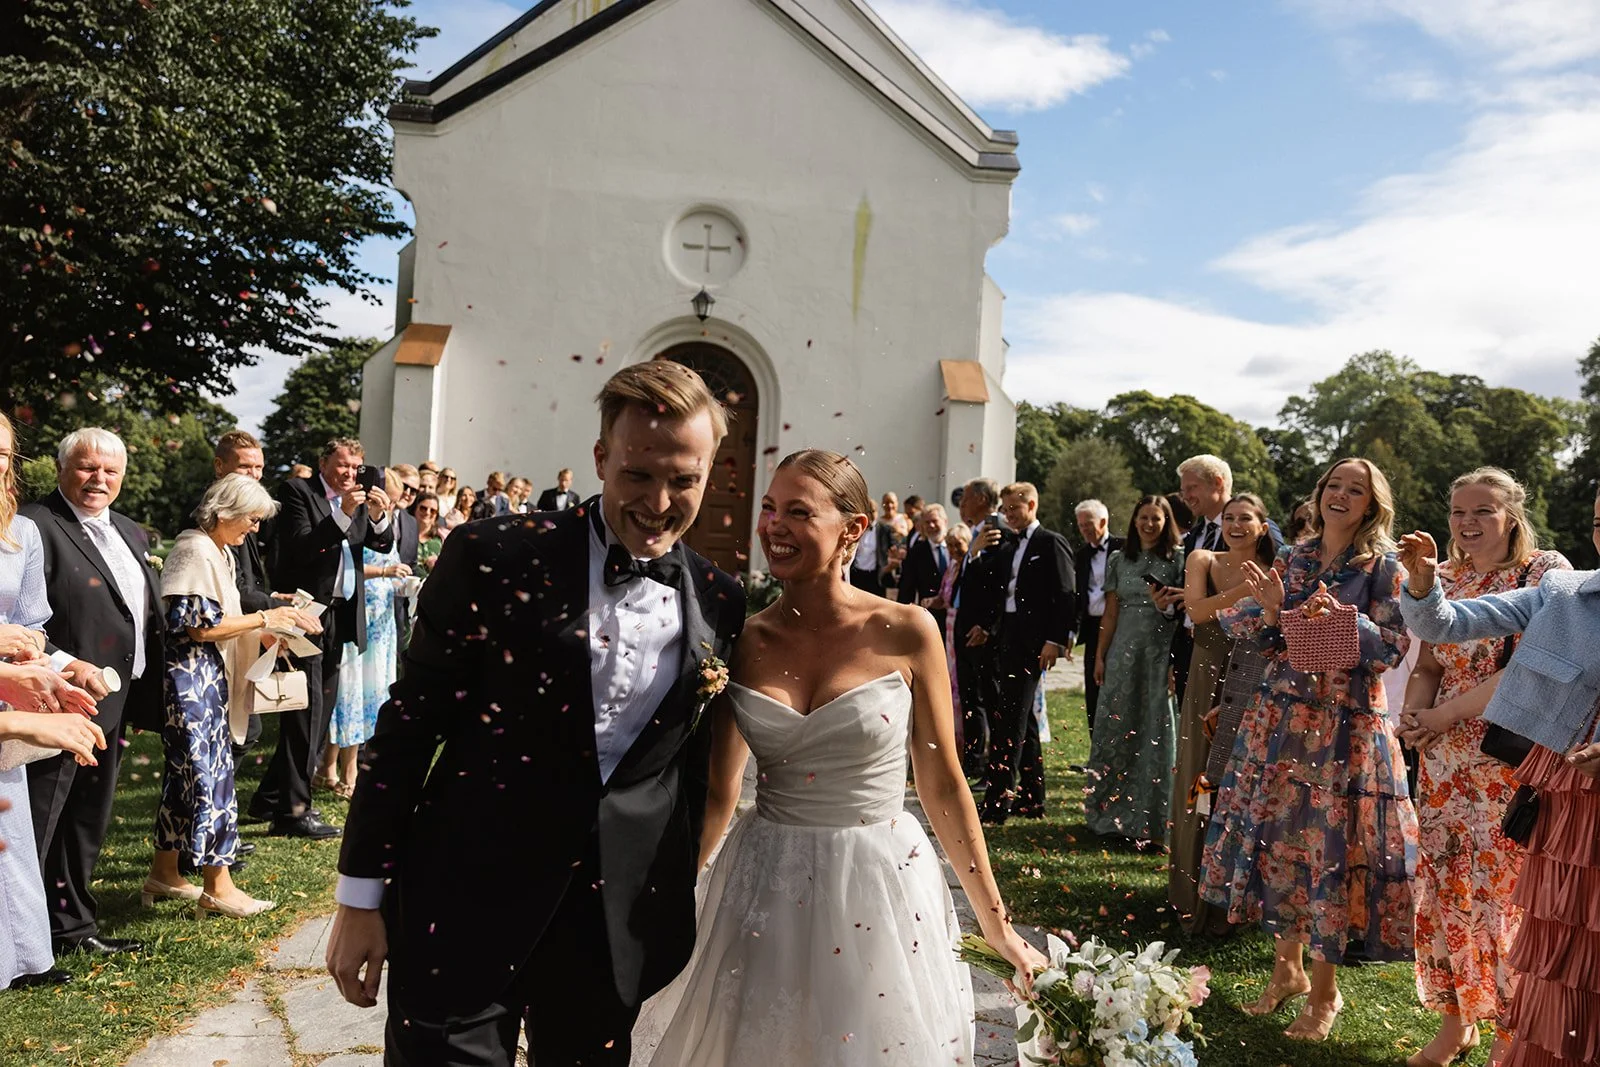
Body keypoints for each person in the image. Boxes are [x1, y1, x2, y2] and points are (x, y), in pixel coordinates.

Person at [326, 360, 746, 1065]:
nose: (660, 499)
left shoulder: (720, 598)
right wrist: (360, 896)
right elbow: (408, 727)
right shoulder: (494, 555)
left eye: (685, 478)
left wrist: (671, 888)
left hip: (610, 931)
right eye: (638, 474)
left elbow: (690, 772)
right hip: (463, 900)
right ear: (600, 458)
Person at [639, 450, 1045, 1064]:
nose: (773, 525)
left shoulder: (908, 630)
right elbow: (721, 794)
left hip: (878, 882)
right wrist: (670, 902)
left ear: (852, 529)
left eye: (798, 511)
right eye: (770, 508)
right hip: (764, 881)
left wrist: (998, 927)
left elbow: (942, 785)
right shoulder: (741, 640)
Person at [1201, 458, 1416, 1041]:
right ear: (1320, 494)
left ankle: (1325, 994)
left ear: (1371, 504)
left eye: (1357, 489)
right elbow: (1250, 628)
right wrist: (1278, 613)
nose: (1341, 495)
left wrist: (1327, 622)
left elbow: (1390, 647)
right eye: (1334, 485)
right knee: (1280, 842)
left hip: (1344, 728)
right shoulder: (1294, 557)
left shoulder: (1384, 568)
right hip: (1282, 718)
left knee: (1330, 852)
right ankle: (1287, 973)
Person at [1398, 496, 1600, 1067]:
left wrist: (1444, 715)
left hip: (1510, 762)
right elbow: (1442, 631)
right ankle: (1485, 1030)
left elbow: (1520, 670)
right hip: (1537, 781)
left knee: (1522, 905)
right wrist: (1420, 584)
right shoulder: (1568, 593)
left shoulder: (1545, 566)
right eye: (1599, 523)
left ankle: (1527, 1034)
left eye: (1482, 509)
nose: (1468, 520)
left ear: (1512, 515)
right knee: (1522, 917)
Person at [142, 475, 322, 919]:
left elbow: (224, 620)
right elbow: (198, 627)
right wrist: (267, 615)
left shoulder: (218, 549)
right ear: (223, 513)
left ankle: (164, 873)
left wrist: (265, 632)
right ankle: (218, 886)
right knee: (211, 779)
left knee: (184, 783)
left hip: (208, 679)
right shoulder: (194, 550)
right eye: (252, 519)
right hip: (190, 684)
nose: (256, 529)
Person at [22, 427, 165, 957]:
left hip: (115, 697)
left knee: (86, 818)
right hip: (54, 697)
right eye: (86, 467)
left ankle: (72, 928)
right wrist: (62, 666)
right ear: (62, 468)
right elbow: (23, 616)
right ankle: (22, 939)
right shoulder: (35, 525)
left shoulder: (130, 531)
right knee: (41, 818)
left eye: (110, 471)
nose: (98, 479)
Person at [0, 411, 104, 989]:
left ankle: (24, 957)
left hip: (11, 694)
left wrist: (49, 666)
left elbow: (35, 623)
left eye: (4, 453)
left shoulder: (22, 533)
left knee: (12, 830)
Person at [248, 438, 394, 840]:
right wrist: (344, 514)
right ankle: (293, 812)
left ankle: (269, 798)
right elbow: (300, 548)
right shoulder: (299, 492)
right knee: (304, 713)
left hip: (341, 617)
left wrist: (379, 516)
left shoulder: (360, 499)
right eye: (343, 466)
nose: (350, 474)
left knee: (320, 710)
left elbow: (379, 544)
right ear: (323, 463)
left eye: (356, 467)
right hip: (305, 613)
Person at [1168, 493, 1273, 934]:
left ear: (1262, 527)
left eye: (1245, 518)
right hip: (1206, 673)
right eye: (1228, 517)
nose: (1235, 524)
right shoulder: (1202, 559)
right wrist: (1245, 590)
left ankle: (1237, 899)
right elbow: (1195, 610)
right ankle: (1191, 892)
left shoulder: (1277, 570)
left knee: (1242, 780)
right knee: (1199, 775)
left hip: (1252, 678)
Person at [972, 482, 1074, 824]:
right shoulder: (1007, 545)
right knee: (1023, 718)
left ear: (1031, 505)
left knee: (1010, 720)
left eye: (1014, 509)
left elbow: (1065, 594)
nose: (1008, 514)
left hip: (1034, 643)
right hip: (1008, 640)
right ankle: (1032, 797)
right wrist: (975, 552)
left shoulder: (1050, 542)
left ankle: (997, 802)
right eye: (1005, 510)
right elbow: (990, 587)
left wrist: (1056, 640)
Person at [1085, 495, 1184, 842]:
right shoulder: (1118, 559)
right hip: (1123, 652)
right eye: (1143, 517)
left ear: (1166, 521)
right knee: (1117, 727)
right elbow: (1109, 613)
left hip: (1159, 652)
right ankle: (1108, 814)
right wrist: (1100, 655)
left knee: (1154, 730)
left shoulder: (1178, 559)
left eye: (1156, 518)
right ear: (1134, 520)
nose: (1149, 524)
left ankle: (1152, 820)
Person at [188, 430, 279, 771]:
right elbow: (201, 625)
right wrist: (269, 615)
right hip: (205, 660)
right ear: (219, 466)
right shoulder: (202, 536)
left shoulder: (237, 522)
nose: (254, 475)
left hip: (234, 640)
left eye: (259, 468)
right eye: (245, 467)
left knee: (241, 734)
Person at [322, 470, 408, 800]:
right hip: (359, 616)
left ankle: (333, 767)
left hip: (383, 624)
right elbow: (349, 566)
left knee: (370, 696)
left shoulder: (383, 524)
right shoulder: (351, 516)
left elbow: (392, 559)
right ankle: (343, 770)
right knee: (349, 692)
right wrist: (385, 571)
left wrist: (400, 580)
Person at [953, 477, 1005, 775]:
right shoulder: (976, 532)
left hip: (982, 633)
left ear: (983, 500)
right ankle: (974, 762)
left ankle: (990, 766)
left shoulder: (994, 531)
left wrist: (987, 626)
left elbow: (997, 585)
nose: (961, 504)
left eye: (967, 499)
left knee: (988, 698)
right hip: (965, 626)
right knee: (971, 697)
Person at [1174, 455, 1232, 708]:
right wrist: (1169, 602)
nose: (1185, 496)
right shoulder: (1193, 537)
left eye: (1191, 487)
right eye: (1183, 489)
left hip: (1226, 651)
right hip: (1188, 646)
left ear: (1217, 483)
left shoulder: (1252, 528)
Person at [1073, 499, 1124, 735]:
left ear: (1103, 522)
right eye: (1080, 525)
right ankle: (1096, 747)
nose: (1084, 529)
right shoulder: (1081, 555)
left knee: (1118, 686)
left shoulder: (1124, 548)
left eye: (1088, 524)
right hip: (1092, 627)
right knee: (1093, 686)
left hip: (1122, 625)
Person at [939, 523, 972, 751]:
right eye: (949, 545)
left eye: (958, 544)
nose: (953, 549)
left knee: (961, 685)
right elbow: (944, 597)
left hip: (964, 624)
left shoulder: (969, 566)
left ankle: (966, 741)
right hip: (950, 627)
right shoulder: (951, 566)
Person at [896, 503, 951, 634]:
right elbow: (907, 587)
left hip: (954, 617)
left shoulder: (957, 546)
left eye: (934, 521)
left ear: (945, 521)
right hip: (930, 618)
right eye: (927, 523)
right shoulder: (916, 553)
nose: (931, 526)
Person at [388, 465, 421, 644]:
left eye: (414, 491)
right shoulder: (367, 513)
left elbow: (412, 563)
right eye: (404, 486)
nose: (408, 493)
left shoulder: (411, 522)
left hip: (398, 609)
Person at [847, 497, 881, 593]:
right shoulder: (857, 528)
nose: (870, 514)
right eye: (868, 511)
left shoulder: (883, 529)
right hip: (857, 574)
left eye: (873, 511)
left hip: (874, 575)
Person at [412, 492, 443, 573]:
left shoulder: (441, 539)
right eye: (423, 508)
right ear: (415, 509)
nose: (427, 513)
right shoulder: (404, 534)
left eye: (433, 511)